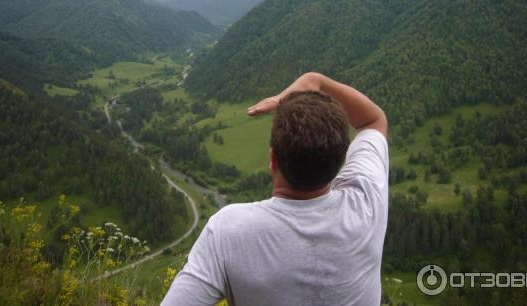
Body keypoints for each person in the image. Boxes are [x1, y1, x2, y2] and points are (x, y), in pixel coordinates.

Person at [161, 72, 388, 306]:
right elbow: (373, 120)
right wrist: (317, 81)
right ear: (341, 161)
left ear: (273, 158)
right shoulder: (366, 202)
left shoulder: (228, 231)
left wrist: (313, 82)